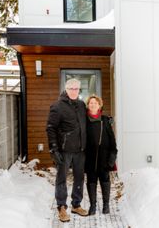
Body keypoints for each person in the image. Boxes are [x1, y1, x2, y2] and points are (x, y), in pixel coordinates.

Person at [46, 78, 89, 222]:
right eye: (72, 89)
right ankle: (61, 207)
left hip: (80, 150)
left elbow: (88, 122)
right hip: (64, 150)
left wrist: (104, 120)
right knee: (61, 179)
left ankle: (76, 205)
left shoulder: (82, 105)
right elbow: (51, 129)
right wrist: (53, 149)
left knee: (79, 178)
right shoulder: (57, 106)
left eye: (77, 89)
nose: (74, 91)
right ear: (66, 89)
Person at [84, 95, 118, 215]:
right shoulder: (84, 120)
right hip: (90, 158)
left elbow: (113, 143)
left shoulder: (105, 120)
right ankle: (93, 206)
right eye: (91, 103)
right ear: (88, 105)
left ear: (100, 105)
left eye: (95, 103)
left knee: (105, 181)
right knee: (91, 182)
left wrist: (111, 159)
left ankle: (106, 205)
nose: (93, 105)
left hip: (104, 158)